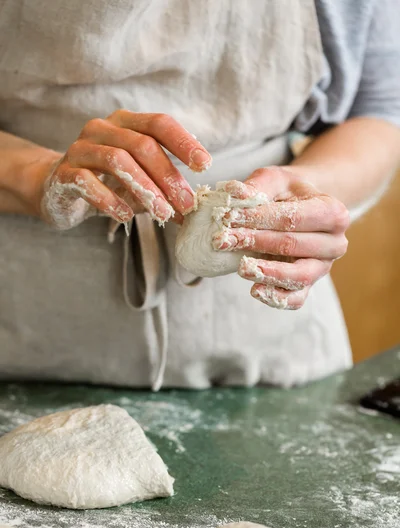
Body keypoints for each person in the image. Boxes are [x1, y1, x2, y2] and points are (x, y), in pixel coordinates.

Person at [0, 0, 399, 391]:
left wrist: (310, 188)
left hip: (264, 347)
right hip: (29, 335)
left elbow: (380, 108)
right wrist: (37, 177)